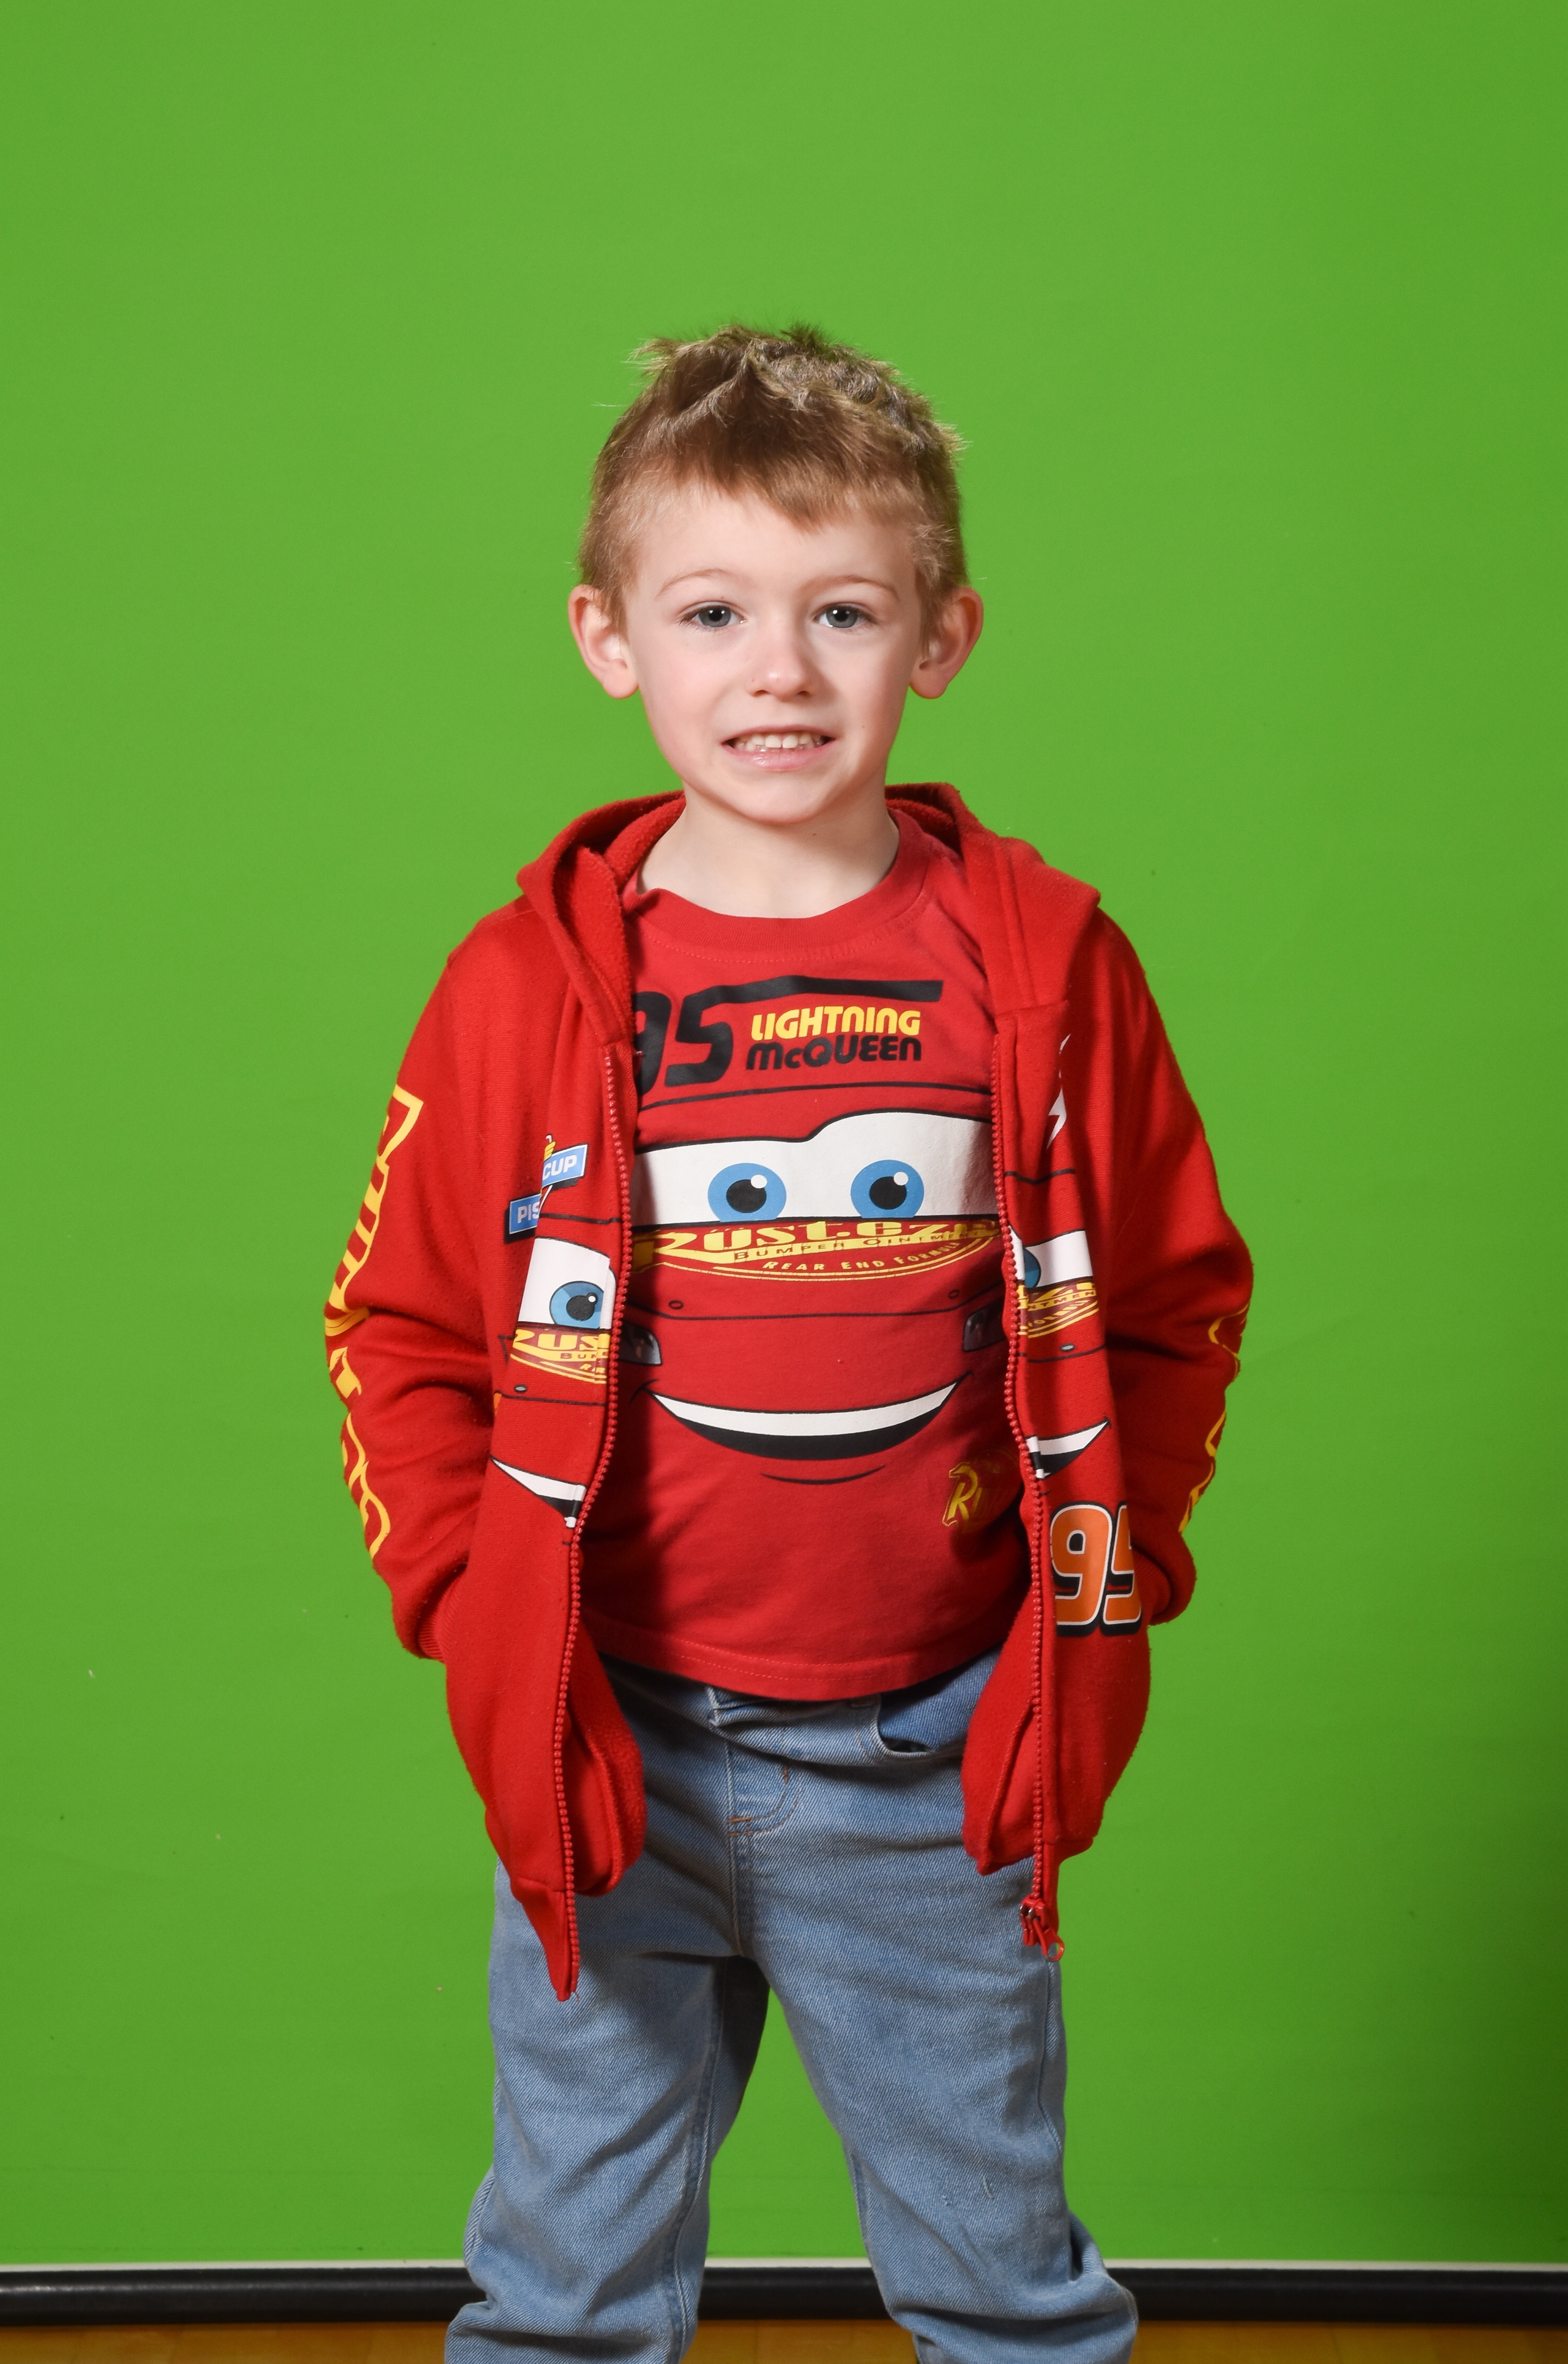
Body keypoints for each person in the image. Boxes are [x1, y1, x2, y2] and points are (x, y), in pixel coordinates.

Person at [324, 324, 1251, 2364]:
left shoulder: (1043, 963)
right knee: (562, 2295)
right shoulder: (523, 985)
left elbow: (1174, 1298)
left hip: (931, 1752)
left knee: (1006, 2288)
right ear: (609, 638)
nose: (782, 671)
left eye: (844, 611)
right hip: (610, 1743)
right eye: (714, 612)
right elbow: (400, 1322)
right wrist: (478, 1605)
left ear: (942, 637)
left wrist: (1109, 1575)